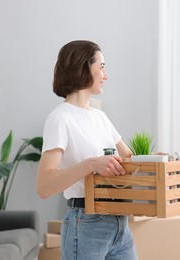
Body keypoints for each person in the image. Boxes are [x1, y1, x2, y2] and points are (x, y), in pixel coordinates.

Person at [36, 40, 137, 260]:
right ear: (83, 67)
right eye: (101, 67)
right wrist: (91, 164)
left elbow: (129, 158)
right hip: (86, 224)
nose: (106, 75)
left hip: (119, 224)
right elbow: (44, 186)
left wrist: (154, 160)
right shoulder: (60, 119)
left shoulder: (100, 117)